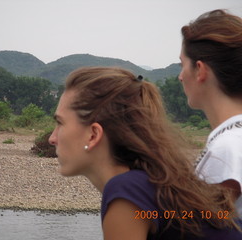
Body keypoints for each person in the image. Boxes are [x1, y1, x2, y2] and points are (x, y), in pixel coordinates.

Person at [49, 66, 242, 239]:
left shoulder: (127, 191)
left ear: (93, 135)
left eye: (60, 123)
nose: (52, 138)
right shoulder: (155, 185)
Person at [179, 9, 242, 218]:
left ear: (200, 70)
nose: (180, 77)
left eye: (182, 64)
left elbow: (202, 229)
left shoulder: (226, 150)